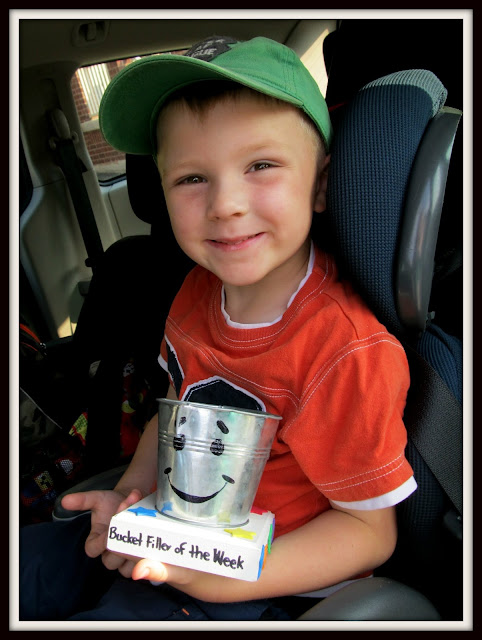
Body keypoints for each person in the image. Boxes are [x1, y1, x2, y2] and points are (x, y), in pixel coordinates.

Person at [19, 35, 417, 622]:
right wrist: (131, 498)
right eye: (191, 178)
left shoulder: (344, 350)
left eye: (260, 166)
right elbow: (174, 414)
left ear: (321, 185)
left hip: (269, 582)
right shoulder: (196, 291)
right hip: (171, 534)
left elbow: (367, 533)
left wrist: (217, 582)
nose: (225, 203)